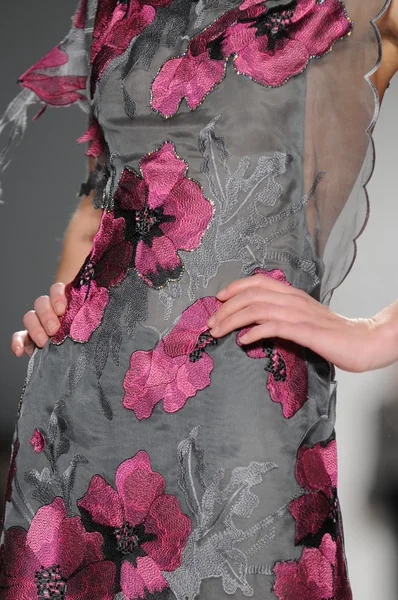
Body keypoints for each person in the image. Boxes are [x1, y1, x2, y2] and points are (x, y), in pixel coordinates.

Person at [1, 0, 398, 598]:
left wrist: (379, 332)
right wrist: (64, 302)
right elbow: (108, 188)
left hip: (243, 422)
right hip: (76, 416)